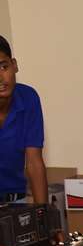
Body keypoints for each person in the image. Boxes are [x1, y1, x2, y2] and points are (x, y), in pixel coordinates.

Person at [0, 35, 46, 204]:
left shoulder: (28, 98)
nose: (0, 77)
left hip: (16, 202)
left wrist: (43, 215)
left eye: (3, 67)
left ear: (14, 65)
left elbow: (34, 163)